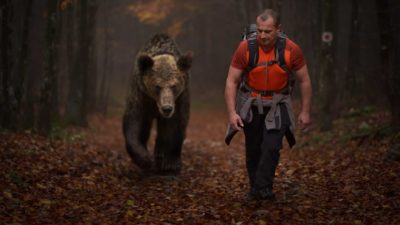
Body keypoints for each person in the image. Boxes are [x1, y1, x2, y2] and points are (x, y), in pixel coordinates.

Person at [224, 9, 312, 201]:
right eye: (259, 30)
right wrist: (232, 113)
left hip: (278, 104)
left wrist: (305, 111)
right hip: (251, 103)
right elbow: (231, 81)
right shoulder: (245, 48)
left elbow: (304, 80)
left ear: (278, 29)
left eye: (267, 31)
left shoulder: (291, 50)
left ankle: (262, 189)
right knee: (253, 148)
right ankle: (256, 187)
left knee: (271, 147)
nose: (262, 35)